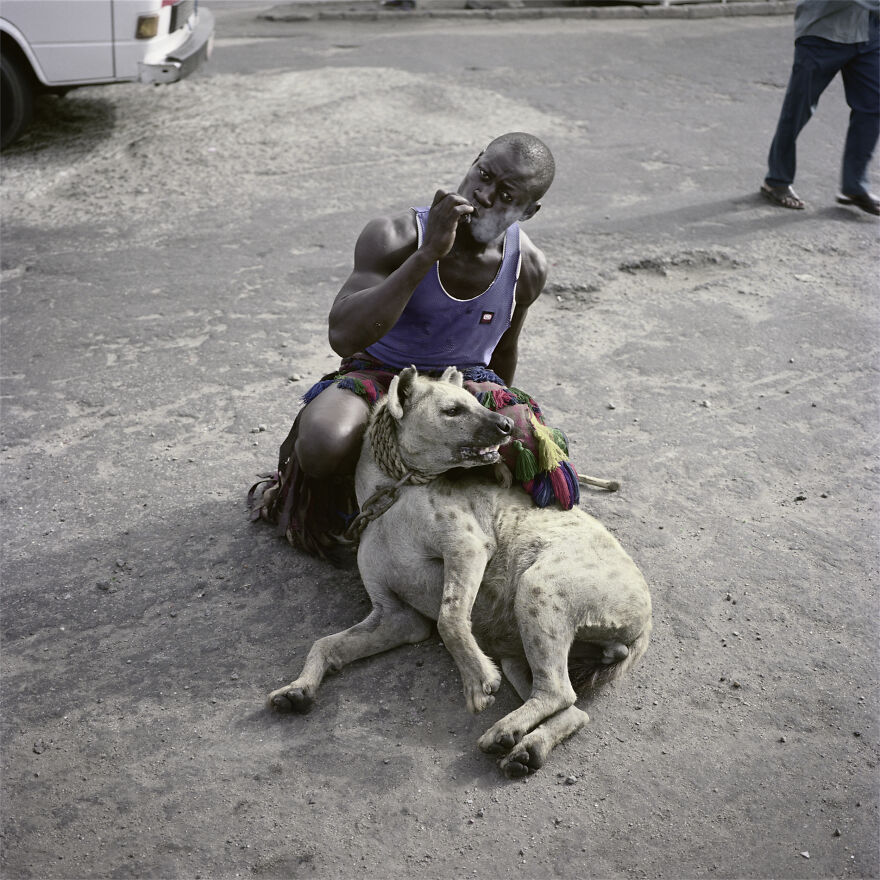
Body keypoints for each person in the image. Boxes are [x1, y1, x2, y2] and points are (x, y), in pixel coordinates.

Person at [250, 132, 583, 556]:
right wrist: (426, 256)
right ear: (474, 161)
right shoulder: (395, 235)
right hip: (380, 372)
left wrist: (494, 414)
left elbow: (503, 349)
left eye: (506, 195)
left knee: (531, 450)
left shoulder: (528, 266)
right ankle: (340, 508)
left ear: (528, 211)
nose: (483, 195)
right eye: (483, 175)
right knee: (323, 443)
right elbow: (344, 337)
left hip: (463, 382)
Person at [761, 0, 879, 215]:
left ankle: (854, 187)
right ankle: (777, 180)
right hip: (823, 31)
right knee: (798, 108)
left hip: (869, 32)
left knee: (873, 106)